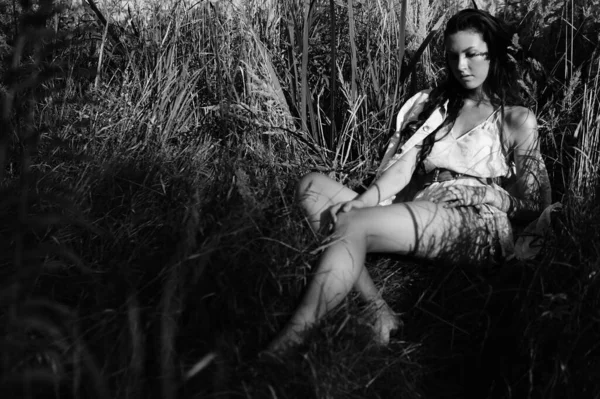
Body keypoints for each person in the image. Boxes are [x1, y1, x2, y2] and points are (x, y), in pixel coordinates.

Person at [267, 9, 552, 354]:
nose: (461, 65)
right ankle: (378, 309)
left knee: (353, 224)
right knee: (311, 187)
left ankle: (287, 343)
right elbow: (404, 167)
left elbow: (534, 205)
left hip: (476, 220)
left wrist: (494, 196)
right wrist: (365, 198)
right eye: (453, 55)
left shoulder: (515, 119)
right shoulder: (436, 106)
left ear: (493, 53)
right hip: (424, 205)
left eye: (472, 54)